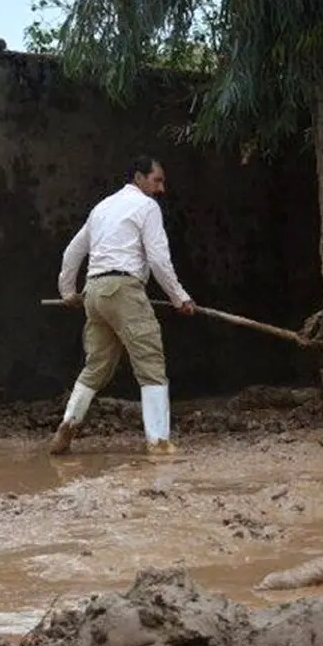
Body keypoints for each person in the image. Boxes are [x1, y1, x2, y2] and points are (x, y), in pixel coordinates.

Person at [51, 155, 196, 455]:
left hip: (94, 292)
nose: (161, 189)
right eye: (157, 180)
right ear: (139, 178)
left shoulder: (102, 207)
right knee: (151, 363)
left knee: (96, 367)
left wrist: (68, 292)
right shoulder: (146, 207)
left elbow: (71, 254)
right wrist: (180, 297)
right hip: (124, 289)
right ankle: (159, 442)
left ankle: (68, 423)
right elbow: (158, 259)